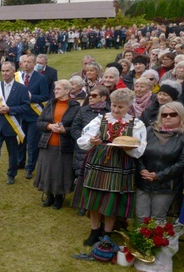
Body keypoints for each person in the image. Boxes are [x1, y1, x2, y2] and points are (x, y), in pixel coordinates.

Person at [76, 88, 147, 246]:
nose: (116, 109)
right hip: (98, 160)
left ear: (128, 107)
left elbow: (140, 148)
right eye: (114, 105)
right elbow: (84, 138)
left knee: (112, 199)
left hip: (121, 163)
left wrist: (129, 148)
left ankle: (107, 233)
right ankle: (94, 231)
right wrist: (91, 141)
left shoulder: (137, 124)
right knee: (94, 197)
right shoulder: (100, 119)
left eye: (120, 107)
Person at [34, 80, 81, 210]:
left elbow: (77, 127)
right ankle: (49, 195)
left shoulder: (75, 107)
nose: (55, 91)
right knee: (47, 170)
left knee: (60, 171)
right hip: (47, 144)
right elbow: (39, 123)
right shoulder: (50, 104)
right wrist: (49, 126)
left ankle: (59, 197)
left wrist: (64, 130)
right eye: (55, 89)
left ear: (67, 91)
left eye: (59, 89)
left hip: (64, 146)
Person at [135, 101, 184, 223]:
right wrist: (142, 170)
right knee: (141, 217)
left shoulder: (182, 137)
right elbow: (137, 153)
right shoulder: (148, 131)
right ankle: (140, 242)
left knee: (158, 219)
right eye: (164, 114)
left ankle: (156, 242)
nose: (168, 117)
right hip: (143, 181)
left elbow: (182, 163)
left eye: (173, 114)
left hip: (166, 185)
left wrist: (158, 175)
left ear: (181, 116)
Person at [0, 61, 29, 188]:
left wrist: (10, 110)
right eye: (3, 71)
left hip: (12, 127)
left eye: (7, 71)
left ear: (13, 72)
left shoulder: (22, 88)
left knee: (12, 153)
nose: (4, 73)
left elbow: (26, 107)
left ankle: (11, 174)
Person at [71, 85, 111, 215]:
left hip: (102, 150)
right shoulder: (83, 110)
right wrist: (86, 140)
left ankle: (95, 204)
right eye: (89, 95)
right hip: (84, 149)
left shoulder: (109, 112)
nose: (90, 98)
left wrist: (101, 141)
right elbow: (74, 128)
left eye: (94, 95)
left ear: (103, 97)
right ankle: (82, 204)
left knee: (97, 177)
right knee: (82, 176)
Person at [16, 54, 49, 179]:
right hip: (19, 114)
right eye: (24, 61)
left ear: (34, 63)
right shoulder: (17, 77)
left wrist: (32, 98)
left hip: (34, 114)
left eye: (29, 62)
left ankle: (30, 167)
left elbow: (45, 96)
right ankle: (20, 162)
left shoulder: (40, 78)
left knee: (32, 142)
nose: (26, 64)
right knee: (20, 140)